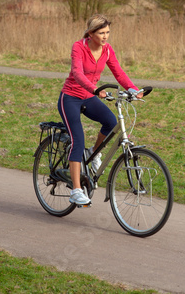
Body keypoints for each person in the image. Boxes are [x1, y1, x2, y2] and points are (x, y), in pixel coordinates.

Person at [58, 14, 142, 206]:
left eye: (108, 32)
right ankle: (76, 191)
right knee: (77, 139)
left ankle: (93, 153)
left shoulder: (107, 50)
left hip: (88, 97)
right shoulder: (78, 47)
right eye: (102, 33)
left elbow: (118, 72)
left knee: (111, 122)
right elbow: (78, 73)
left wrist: (133, 90)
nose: (106, 36)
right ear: (91, 33)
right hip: (70, 98)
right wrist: (95, 89)